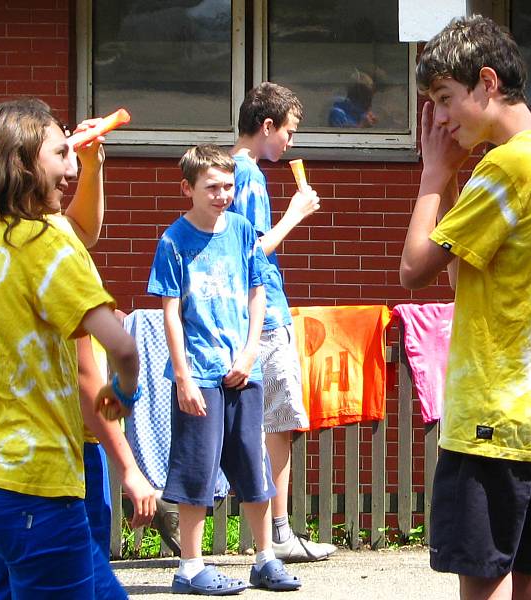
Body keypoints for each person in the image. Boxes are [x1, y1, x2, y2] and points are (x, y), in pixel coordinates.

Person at [0, 97, 141, 599]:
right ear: (22, 166)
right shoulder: (43, 243)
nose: (71, 166)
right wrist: (122, 391)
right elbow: (122, 348)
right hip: (37, 487)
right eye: (62, 154)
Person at [399, 15, 531, 600]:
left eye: (444, 98)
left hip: (491, 417)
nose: (440, 117)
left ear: (486, 82)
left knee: (483, 586)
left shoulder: (505, 166)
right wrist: (454, 175)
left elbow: (414, 271)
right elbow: (462, 272)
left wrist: (433, 176)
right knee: (522, 580)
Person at [147, 144, 301, 594]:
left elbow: (258, 292)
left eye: (228, 186)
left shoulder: (240, 231)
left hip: (242, 369)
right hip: (199, 372)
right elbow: (170, 312)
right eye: (211, 187)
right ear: (187, 188)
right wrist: (182, 376)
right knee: (197, 468)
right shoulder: (173, 241)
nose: (222, 195)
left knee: (252, 465)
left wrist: (251, 352)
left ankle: (264, 558)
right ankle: (190, 567)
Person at [229, 82, 335, 562]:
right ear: (266, 126)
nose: (291, 143)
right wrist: (296, 214)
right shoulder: (249, 176)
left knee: (264, 423)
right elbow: (251, 252)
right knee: (279, 422)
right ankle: (278, 534)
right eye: (288, 132)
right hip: (265, 313)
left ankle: (273, 534)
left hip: (245, 314)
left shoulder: (227, 171)